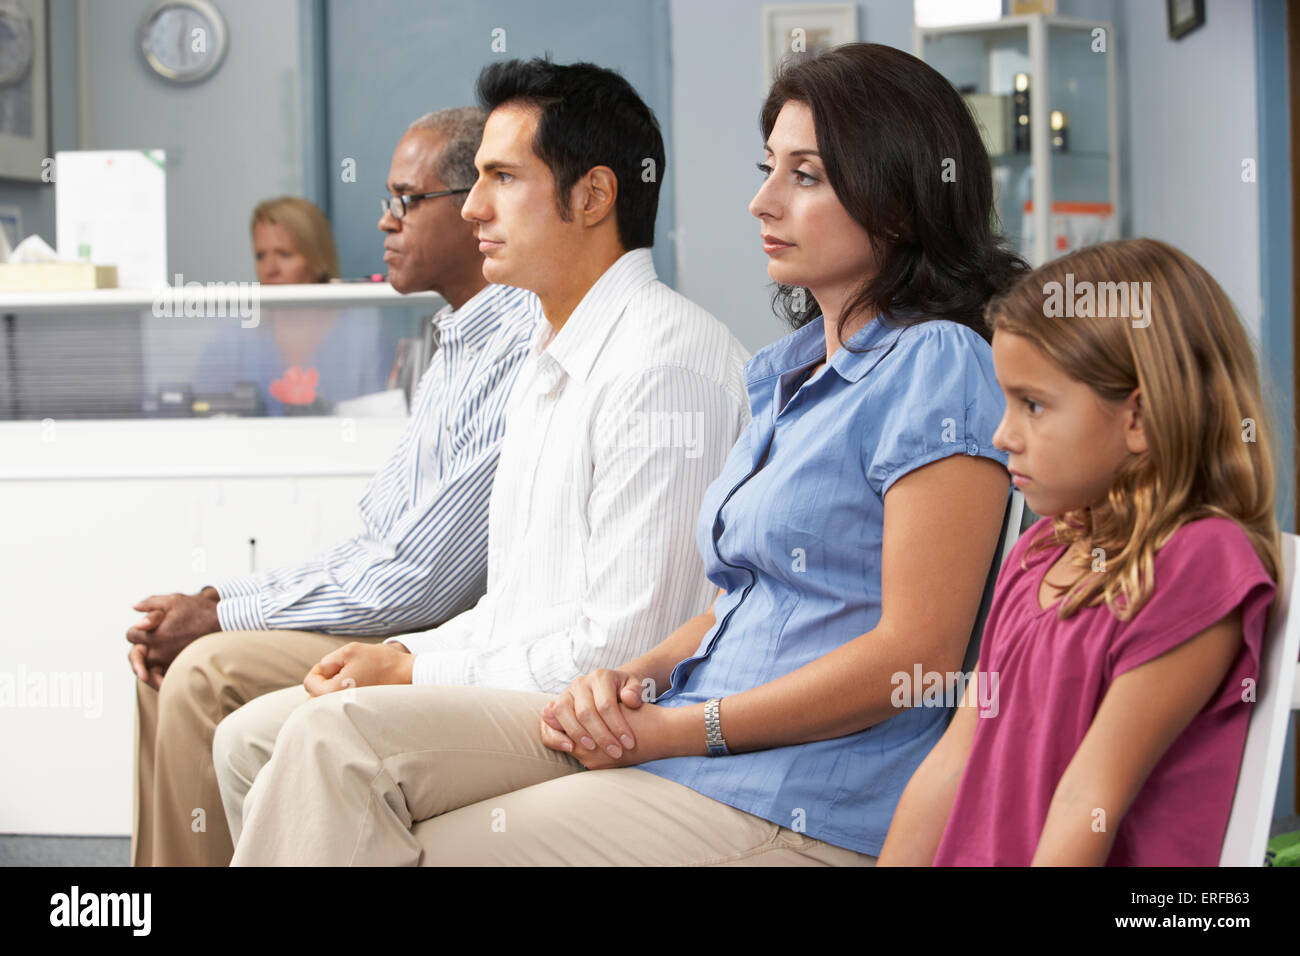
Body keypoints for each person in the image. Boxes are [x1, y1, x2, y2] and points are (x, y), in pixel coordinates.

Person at [227, 43, 1025, 866]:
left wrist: (682, 725)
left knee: (373, 798)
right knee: (348, 804)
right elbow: (736, 604)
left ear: (896, 199)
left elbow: (916, 655)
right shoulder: (785, 372)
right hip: (697, 753)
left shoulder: (935, 362)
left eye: (805, 176)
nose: (761, 201)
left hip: (799, 798)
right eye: (768, 168)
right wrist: (636, 677)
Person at [213, 56, 750, 849]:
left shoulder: (662, 366)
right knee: (249, 738)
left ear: (594, 195)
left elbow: (617, 651)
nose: (470, 208)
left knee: (329, 740)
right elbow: (513, 607)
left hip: (607, 718)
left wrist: (409, 674)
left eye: (502, 178)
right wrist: (397, 652)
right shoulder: (547, 352)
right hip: (534, 688)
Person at [126, 106, 540, 866]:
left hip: (434, 638)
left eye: (406, 201)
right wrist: (220, 601)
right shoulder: (452, 341)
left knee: (200, 671)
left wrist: (223, 618)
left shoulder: (517, 344)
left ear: (476, 209)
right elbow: (375, 542)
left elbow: (418, 583)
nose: (385, 223)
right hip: (400, 615)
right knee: (167, 660)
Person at [878, 238, 1281, 867]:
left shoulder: (1200, 562)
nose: (1002, 434)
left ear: (1139, 419)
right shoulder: (1041, 548)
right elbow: (952, 763)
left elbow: (1087, 802)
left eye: (1033, 405)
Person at [190, 197, 390, 415]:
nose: (270, 269)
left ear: (318, 261)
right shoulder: (236, 335)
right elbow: (201, 411)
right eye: (260, 256)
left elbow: (381, 420)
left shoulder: (362, 336)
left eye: (284, 254)